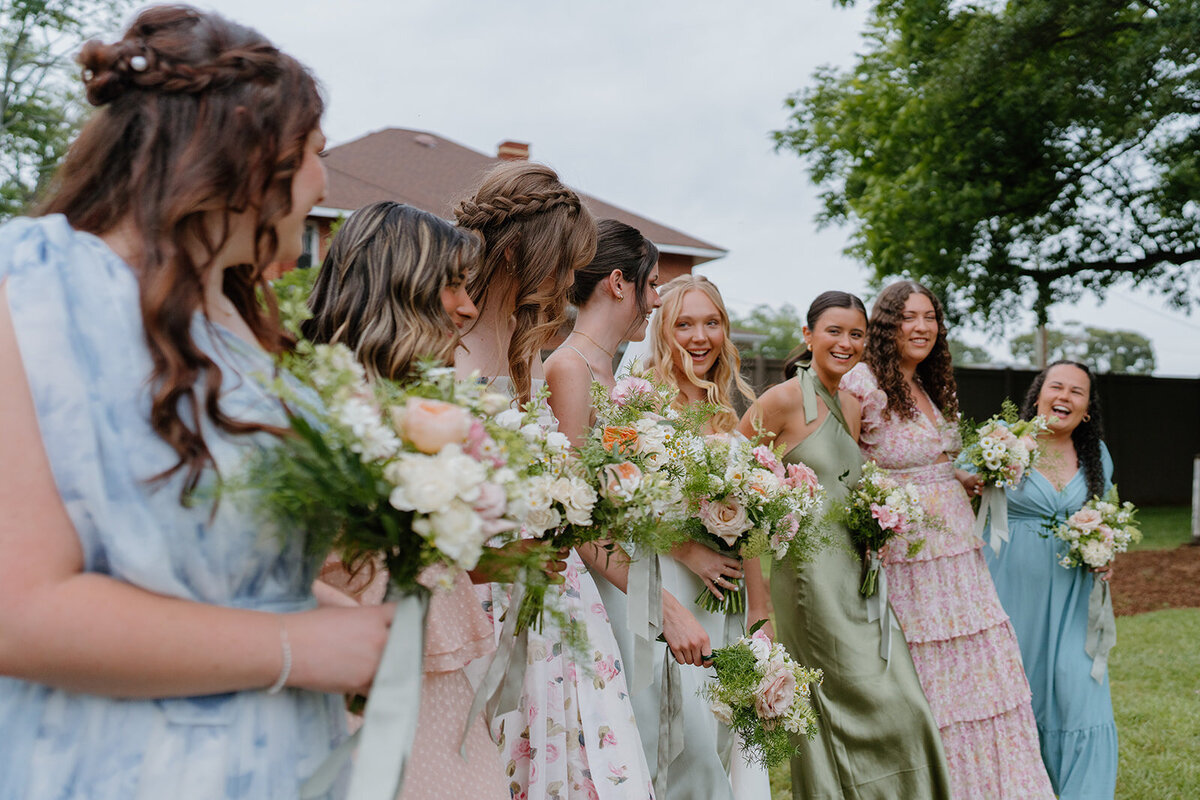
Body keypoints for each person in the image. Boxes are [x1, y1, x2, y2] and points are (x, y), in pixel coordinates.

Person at [0, 7, 393, 798]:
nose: (324, 185)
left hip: (286, 761)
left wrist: (345, 610)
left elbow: (201, 567)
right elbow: (18, 608)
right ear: (247, 155)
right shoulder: (31, 285)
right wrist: (299, 645)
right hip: (117, 764)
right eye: (315, 154)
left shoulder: (230, 323)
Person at [454, 163, 655, 800]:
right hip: (479, 584)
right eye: (565, 262)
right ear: (525, 252)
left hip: (552, 590)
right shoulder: (443, 336)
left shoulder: (528, 344)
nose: (571, 281)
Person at [302, 201, 508, 799]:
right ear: (399, 285)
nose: (468, 309)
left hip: (432, 676)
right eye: (452, 287)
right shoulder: (318, 408)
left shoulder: (418, 410)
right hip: (349, 683)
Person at [839, 280, 1054, 799]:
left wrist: (965, 476)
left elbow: (934, 461)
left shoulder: (933, 384)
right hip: (907, 553)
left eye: (930, 317)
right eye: (909, 318)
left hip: (958, 546)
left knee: (979, 673)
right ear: (888, 325)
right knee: (929, 672)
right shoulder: (861, 382)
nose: (922, 328)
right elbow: (844, 469)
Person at [739, 291, 952, 800]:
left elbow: (847, 485)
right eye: (833, 331)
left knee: (904, 703)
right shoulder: (782, 400)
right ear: (807, 336)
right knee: (833, 707)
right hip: (809, 583)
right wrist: (759, 598)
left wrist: (877, 524)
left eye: (856, 333)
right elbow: (733, 492)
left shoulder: (855, 404)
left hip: (859, 579)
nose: (846, 342)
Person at [543, 221, 720, 799]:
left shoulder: (610, 372)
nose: (655, 300)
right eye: (650, 286)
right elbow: (573, 520)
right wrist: (662, 605)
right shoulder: (569, 369)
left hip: (634, 581)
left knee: (671, 746)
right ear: (618, 283)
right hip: (605, 590)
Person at [641, 274, 771, 799]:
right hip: (670, 584)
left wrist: (759, 613)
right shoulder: (641, 403)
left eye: (711, 323)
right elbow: (620, 508)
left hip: (727, 602)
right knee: (682, 738)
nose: (700, 337)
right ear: (662, 330)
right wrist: (685, 550)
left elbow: (755, 522)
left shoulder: (725, 411)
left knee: (721, 731)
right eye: (684, 324)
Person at [983, 361, 1119, 798]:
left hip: (1074, 597)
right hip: (1007, 592)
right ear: (1038, 394)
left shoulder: (1097, 455)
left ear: (1087, 409)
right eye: (1056, 386)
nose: (1065, 396)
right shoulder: (1003, 441)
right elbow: (955, 488)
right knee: (1016, 695)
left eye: (1077, 392)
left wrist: (1106, 550)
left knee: (1080, 691)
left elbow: (1107, 517)